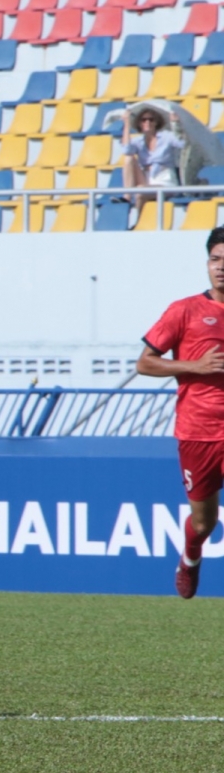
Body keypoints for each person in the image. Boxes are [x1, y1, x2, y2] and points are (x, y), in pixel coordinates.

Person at [138, 226, 224, 598]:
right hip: (198, 432)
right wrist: (195, 366)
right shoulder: (185, 310)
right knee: (205, 522)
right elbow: (145, 363)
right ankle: (190, 557)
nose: (220, 267)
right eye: (215, 260)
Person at [124, 103, 186, 192]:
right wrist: (126, 124)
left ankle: (135, 205)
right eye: (143, 120)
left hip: (164, 179)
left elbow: (182, 144)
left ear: (156, 122)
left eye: (151, 120)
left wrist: (176, 124)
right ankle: (127, 196)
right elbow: (126, 150)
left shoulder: (166, 136)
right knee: (128, 158)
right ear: (139, 123)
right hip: (146, 178)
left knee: (141, 191)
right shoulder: (137, 141)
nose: (147, 122)